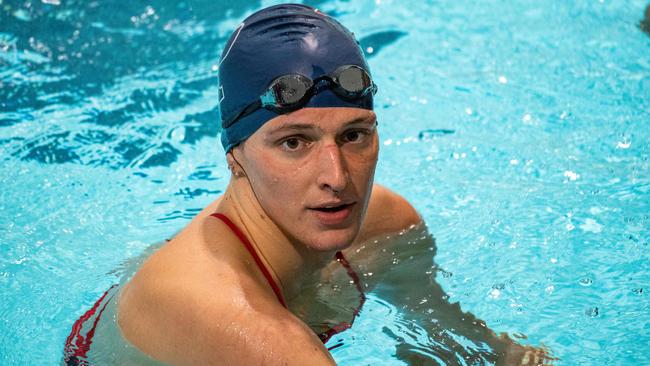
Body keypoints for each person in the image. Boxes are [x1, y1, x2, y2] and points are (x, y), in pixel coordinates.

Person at [63, 4, 553, 365]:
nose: (337, 178)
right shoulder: (252, 332)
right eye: (294, 142)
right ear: (235, 157)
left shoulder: (387, 227)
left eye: (354, 135)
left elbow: (445, 340)